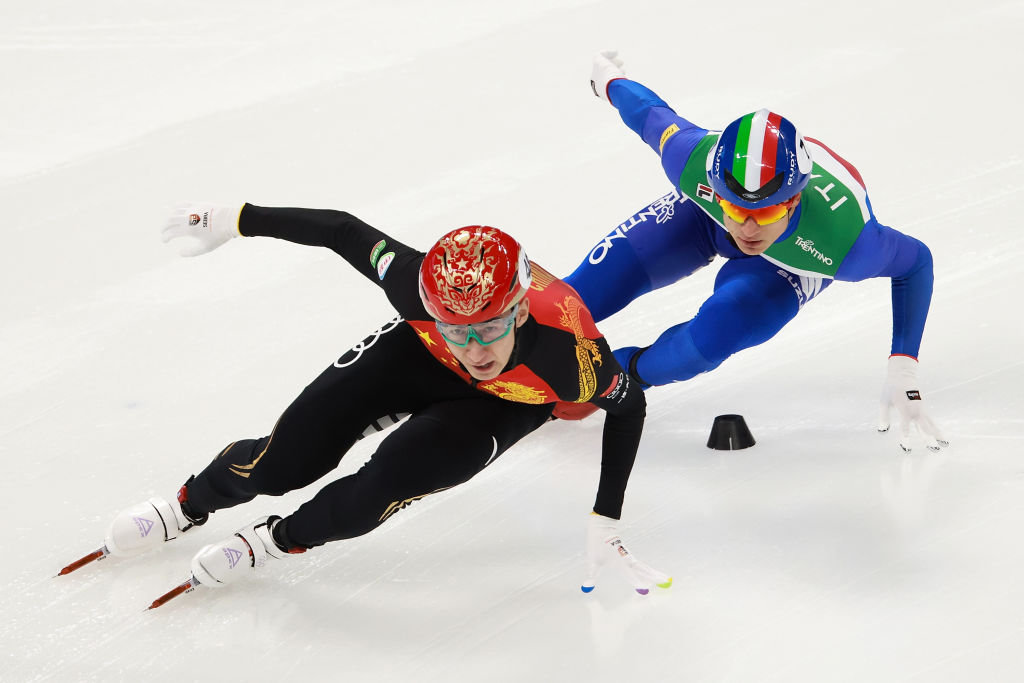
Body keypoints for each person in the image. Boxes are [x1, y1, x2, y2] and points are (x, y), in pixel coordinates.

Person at [61, 203, 670, 599]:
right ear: (430, 308)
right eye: (456, 327)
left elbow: (630, 403)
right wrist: (237, 218)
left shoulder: (571, 358)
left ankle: (274, 540)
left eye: (487, 327)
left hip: (509, 400)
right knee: (285, 460)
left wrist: (606, 515)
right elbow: (342, 231)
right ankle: (188, 504)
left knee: (385, 485)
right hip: (414, 354)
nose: (474, 347)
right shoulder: (415, 285)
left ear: (516, 310)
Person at [568, 51, 948, 453]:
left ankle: (618, 374)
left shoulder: (850, 245)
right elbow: (647, 113)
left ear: (794, 200)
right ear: (716, 188)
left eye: (765, 212)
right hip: (705, 220)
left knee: (712, 338)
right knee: (572, 301)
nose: (748, 228)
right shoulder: (692, 158)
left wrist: (903, 363)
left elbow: (916, 262)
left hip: (793, 259)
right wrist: (608, 80)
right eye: (736, 208)